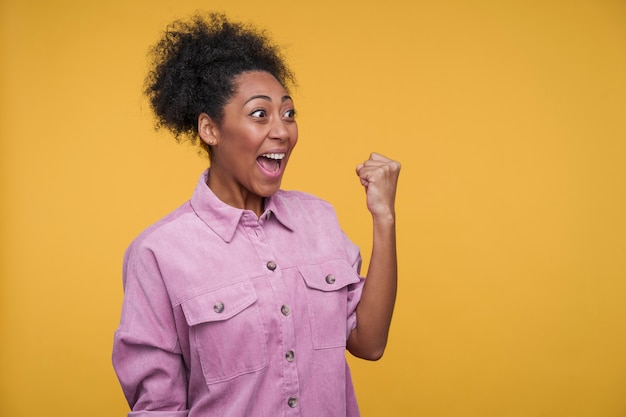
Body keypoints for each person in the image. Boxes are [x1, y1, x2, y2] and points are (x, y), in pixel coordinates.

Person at [112, 12, 400, 417]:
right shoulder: (159, 254)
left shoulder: (318, 220)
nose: (282, 130)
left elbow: (369, 343)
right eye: (260, 114)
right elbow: (159, 407)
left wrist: (383, 219)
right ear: (210, 129)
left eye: (288, 113)